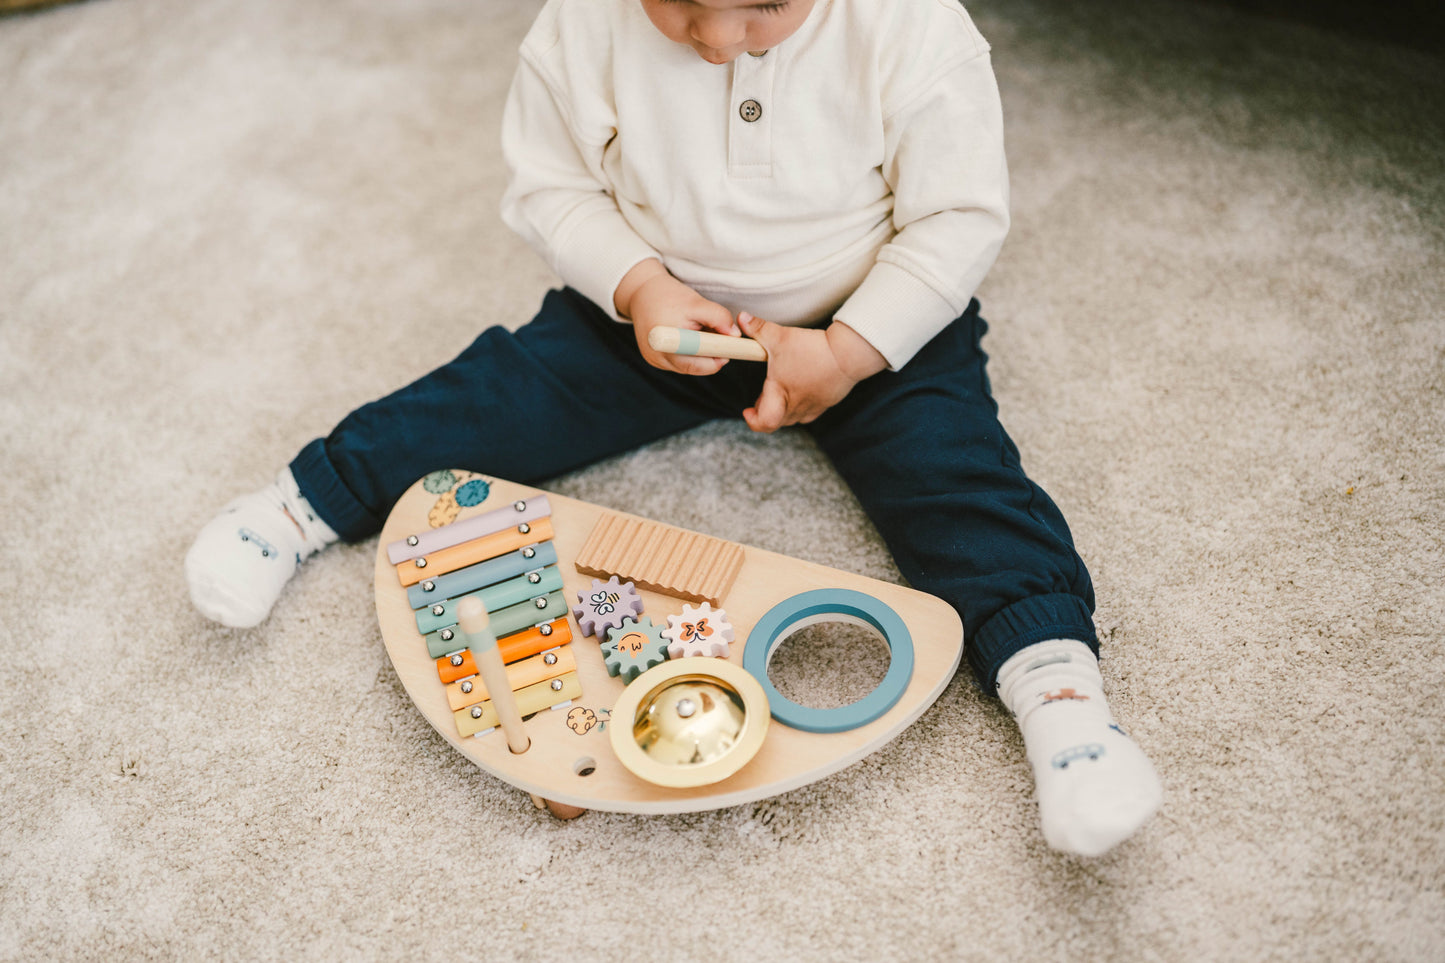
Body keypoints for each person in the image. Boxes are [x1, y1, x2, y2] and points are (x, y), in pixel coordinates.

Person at [185, 0, 1161, 856]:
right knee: (493, 396)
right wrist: (640, 286)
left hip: (867, 326)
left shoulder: (914, 29)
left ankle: (1059, 697)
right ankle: (299, 503)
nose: (713, 40)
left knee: (957, 481)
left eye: (760, 7)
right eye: (680, 4)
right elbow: (550, 188)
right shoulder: (579, 25)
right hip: (649, 323)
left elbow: (958, 219)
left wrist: (853, 348)